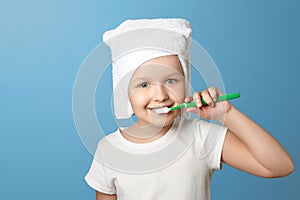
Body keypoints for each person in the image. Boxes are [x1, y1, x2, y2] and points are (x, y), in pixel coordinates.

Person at [85, 18, 294, 200]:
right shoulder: (108, 150)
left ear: (185, 83)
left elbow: (280, 166)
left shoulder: (201, 137)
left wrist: (227, 114)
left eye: (170, 80)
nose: (160, 95)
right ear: (125, 93)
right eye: (144, 84)